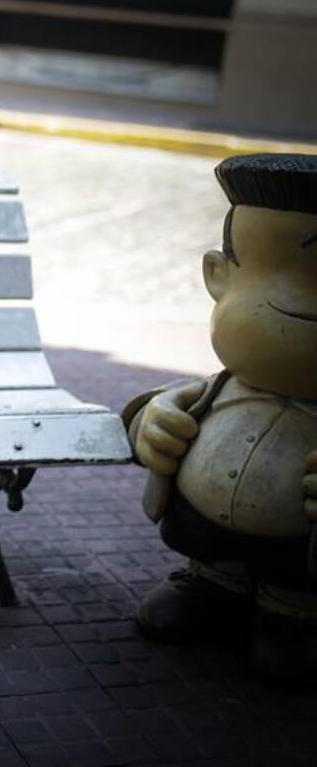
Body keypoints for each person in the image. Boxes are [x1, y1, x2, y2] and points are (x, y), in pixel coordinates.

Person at [125, 153, 317, 687]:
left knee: (286, 646)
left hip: (296, 555)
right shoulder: (214, 391)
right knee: (189, 600)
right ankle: (211, 583)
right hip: (205, 536)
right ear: (219, 277)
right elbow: (159, 405)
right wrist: (152, 419)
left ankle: (292, 612)